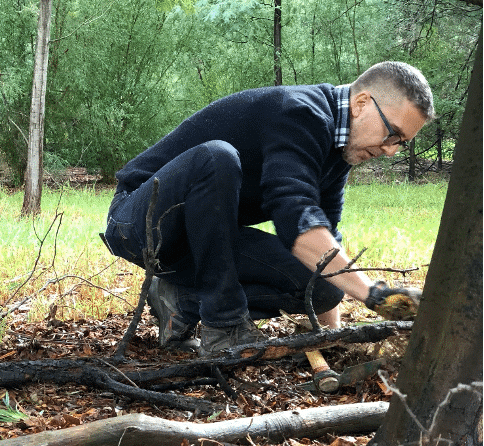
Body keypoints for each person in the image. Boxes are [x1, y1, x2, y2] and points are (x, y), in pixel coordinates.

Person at [103, 61, 434, 357]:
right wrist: (373, 294)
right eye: (393, 134)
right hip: (139, 221)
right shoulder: (301, 113)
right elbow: (294, 214)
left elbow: (323, 237)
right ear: (362, 103)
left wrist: (329, 335)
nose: (392, 150)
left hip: (203, 243)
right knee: (216, 157)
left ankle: (181, 302)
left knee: (323, 287)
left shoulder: (338, 151)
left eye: (401, 143)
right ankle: (223, 325)